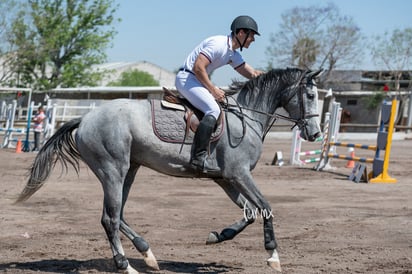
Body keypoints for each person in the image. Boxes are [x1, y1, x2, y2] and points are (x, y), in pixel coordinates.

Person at [175, 15, 263, 173]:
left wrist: (276, 77)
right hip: (187, 79)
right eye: (251, 35)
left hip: (196, 80)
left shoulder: (232, 54)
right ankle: (198, 157)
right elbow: (198, 68)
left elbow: (252, 74)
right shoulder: (219, 44)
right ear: (241, 33)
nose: (253, 40)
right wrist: (213, 89)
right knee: (214, 110)